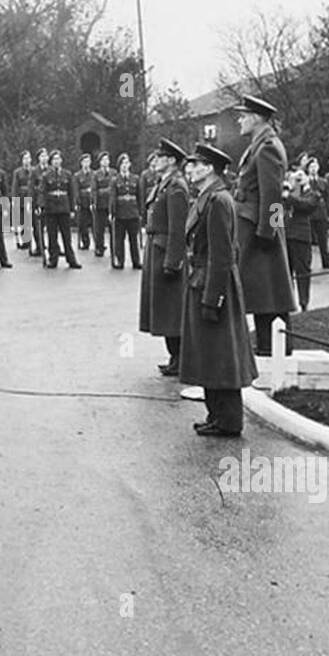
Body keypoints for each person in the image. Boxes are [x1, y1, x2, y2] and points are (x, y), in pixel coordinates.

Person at [179, 142, 257, 436]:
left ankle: (228, 420)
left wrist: (214, 298)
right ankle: (217, 416)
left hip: (213, 283)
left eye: (196, 165)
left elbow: (222, 255)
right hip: (203, 280)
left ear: (209, 168)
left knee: (221, 355)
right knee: (210, 354)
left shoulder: (218, 201)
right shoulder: (208, 197)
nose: (190, 170)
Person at [232, 96, 298, 356]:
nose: (239, 120)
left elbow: (271, 196)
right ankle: (268, 344)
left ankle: (273, 345)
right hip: (255, 226)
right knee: (264, 289)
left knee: (268, 288)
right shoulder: (259, 145)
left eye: (243, 115)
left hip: (261, 229)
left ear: (256, 118)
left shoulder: (267, 147)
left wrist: (266, 233)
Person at [140, 138, 189, 376]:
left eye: (159, 157)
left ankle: (180, 358)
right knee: (164, 308)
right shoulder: (164, 184)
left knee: (172, 309)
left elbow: (178, 228)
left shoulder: (177, 186)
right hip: (156, 248)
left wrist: (173, 261)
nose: (154, 161)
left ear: (171, 161)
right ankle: (174, 357)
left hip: (166, 251)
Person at [283, 167, 319, 311]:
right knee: (286, 272)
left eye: (300, 178)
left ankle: (304, 301)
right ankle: (287, 302)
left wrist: (290, 197)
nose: (297, 181)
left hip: (301, 237)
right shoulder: (285, 193)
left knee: (303, 271)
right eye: (295, 178)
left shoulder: (311, 194)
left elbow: (307, 206)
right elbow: (275, 210)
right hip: (285, 235)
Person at [39, 150, 81, 269]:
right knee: (52, 236)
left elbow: (71, 192)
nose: (57, 161)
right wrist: (41, 206)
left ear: (61, 161)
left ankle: (71, 259)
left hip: (64, 207)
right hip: (51, 208)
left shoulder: (67, 174)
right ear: (51, 162)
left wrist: (72, 209)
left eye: (58, 159)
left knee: (66, 236)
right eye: (54, 160)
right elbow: (42, 192)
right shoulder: (46, 175)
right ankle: (53, 259)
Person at [108, 153, 142, 270]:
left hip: (133, 212)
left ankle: (136, 261)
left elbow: (139, 196)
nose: (125, 166)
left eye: (127, 163)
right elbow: (113, 197)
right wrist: (112, 212)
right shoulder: (115, 180)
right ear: (119, 166)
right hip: (120, 213)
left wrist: (140, 212)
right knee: (119, 239)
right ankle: (120, 260)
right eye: (122, 163)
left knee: (134, 239)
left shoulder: (136, 179)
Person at [304, 156, 329, 269]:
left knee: (323, 239)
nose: (313, 169)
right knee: (308, 241)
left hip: (321, 212)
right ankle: (307, 263)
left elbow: (327, 198)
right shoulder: (305, 181)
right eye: (311, 167)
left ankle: (326, 261)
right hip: (309, 213)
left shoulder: (323, 182)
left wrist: (328, 213)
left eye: (315, 166)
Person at [11, 151, 36, 252]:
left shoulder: (34, 170)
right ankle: (25, 241)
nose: (27, 160)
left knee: (32, 221)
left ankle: (33, 242)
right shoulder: (18, 172)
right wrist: (14, 199)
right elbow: (15, 186)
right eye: (25, 158)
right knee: (24, 221)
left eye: (28, 158)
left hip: (32, 196)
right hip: (21, 197)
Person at [73, 152, 95, 253]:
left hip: (92, 201)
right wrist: (77, 202)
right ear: (81, 163)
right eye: (84, 161)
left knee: (95, 224)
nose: (86, 163)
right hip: (83, 201)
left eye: (88, 161)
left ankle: (98, 243)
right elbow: (76, 190)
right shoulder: (77, 175)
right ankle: (85, 242)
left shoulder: (94, 174)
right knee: (83, 224)